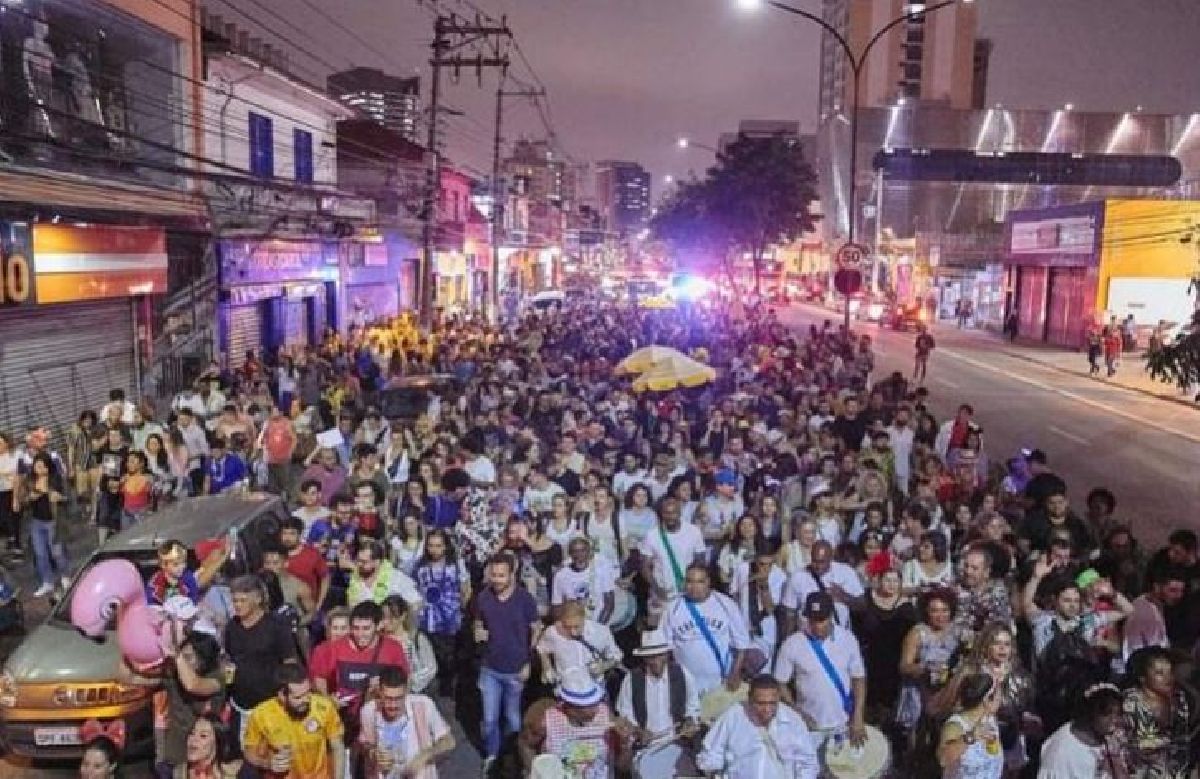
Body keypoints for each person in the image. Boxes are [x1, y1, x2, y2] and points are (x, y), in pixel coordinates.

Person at [473, 553, 542, 773]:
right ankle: (493, 757)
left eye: (501, 575)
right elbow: (478, 622)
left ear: (512, 575)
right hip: (489, 668)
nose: (497, 580)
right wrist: (477, 631)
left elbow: (537, 628)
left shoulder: (524, 599)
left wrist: (528, 661)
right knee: (490, 718)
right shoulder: (483, 597)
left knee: (513, 720)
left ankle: (513, 758)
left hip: (516, 669)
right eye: (493, 575)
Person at [774, 592, 868, 754]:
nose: (817, 625)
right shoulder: (792, 644)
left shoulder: (847, 639)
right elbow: (779, 683)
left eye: (821, 620)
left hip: (844, 722)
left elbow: (858, 678)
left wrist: (858, 716)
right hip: (809, 726)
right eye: (812, 620)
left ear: (831, 616)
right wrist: (797, 712)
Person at [696, 674, 819, 779]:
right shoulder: (733, 716)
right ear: (750, 698)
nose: (767, 709)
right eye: (761, 703)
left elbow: (808, 762)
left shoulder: (793, 721)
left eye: (772, 703)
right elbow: (711, 754)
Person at [614, 628, 701, 774]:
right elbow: (624, 716)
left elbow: (693, 708)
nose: (655, 661)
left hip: (677, 743)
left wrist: (689, 722)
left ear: (666, 655)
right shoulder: (633, 679)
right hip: (645, 748)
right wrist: (638, 731)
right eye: (650, 657)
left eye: (659, 656)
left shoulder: (682, 674)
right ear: (644, 658)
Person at [222, 575, 298, 740]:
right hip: (240, 705)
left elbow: (290, 662)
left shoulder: (277, 626)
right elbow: (229, 659)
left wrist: (287, 693)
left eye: (242, 600)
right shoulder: (231, 627)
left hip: (271, 704)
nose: (237, 605)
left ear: (257, 599)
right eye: (235, 601)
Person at [660, 563, 751, 696]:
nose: (694, 587)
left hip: (721, 682)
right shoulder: (672, 608)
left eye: (700, 582)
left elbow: (741, 645)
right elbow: (665, 647)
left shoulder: (726, 604)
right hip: (687, 684)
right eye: (689, 581)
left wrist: (735, 673)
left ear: (708, 582)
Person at [243, 663, 345, 779]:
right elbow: (249, 753)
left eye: (308, 693)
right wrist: (268, 763)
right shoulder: (261, 715)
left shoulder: (324, 707)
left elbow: (337, 747)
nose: (306, 700)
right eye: (298, 697)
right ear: (282, 695)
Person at [519, 667, 623, 778]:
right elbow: (525, 744)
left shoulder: (606, 716)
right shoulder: (545, 722)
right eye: (587, 705)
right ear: (570, 707)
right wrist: (535, 772)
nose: (595, 710)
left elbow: (620, 760)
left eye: (595, 703)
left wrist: (624, 743)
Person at [358, 667, 455, 779]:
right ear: (380, 692)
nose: (393, 705)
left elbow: (449, 741)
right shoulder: (369, 711)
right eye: (388, 698)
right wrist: (373, 754)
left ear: (406, 692)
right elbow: (364, 745)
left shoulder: (423, 705)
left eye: (398, 698)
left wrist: (425, 755)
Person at [1121, 646, 1192, 779]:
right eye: (1159, 673)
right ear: (1142, 677)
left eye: (1170, 671)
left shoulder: (1179, 698)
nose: (1168, 677)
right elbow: (1120, 746)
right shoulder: (1130, 704)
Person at [1037, 683, 1127, 779]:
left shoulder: (1110, 738)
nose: (1114, 719)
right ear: (1089, 711)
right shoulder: (1061, 753)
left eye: (1118, 713)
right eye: (1106, 712)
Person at [536, 600, 622, 687]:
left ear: (584, 618)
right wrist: (546, 667)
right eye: (567, 627)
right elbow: (541, 648)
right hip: (564, 688)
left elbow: (616, 656)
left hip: (594, 688)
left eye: (577, 626)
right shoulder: (553, 632)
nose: (573, 632)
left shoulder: (601, 632)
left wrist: (603, 666)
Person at [937, 672, 1005, 779]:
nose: (1000, 701)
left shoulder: (990, 721)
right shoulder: (955, 726)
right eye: (998, 697)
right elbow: (943, 759)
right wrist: (970, 737)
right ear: (986, 700)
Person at [551, 536, 616, 624]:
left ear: (589, 552)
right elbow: (557, 607)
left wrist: (598, 628)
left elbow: (609, 604)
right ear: (570, 554)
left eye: (583, 550)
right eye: (575, 551)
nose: (579, 555)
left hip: (598, 623)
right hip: (573, 625)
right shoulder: (561, 576)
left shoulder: (602, 570)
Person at [346, 538, 422, 611]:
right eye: (358, 560)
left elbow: (416, 603)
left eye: (364, 562)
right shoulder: (355, 578)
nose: (359, 565)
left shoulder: (396, 578)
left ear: (377, 562)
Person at [173, 713, 253, 778]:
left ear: (217, 743)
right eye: (192, 733)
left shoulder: (240, 774)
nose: (194, 739)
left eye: (203, 736)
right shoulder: (173, 774)